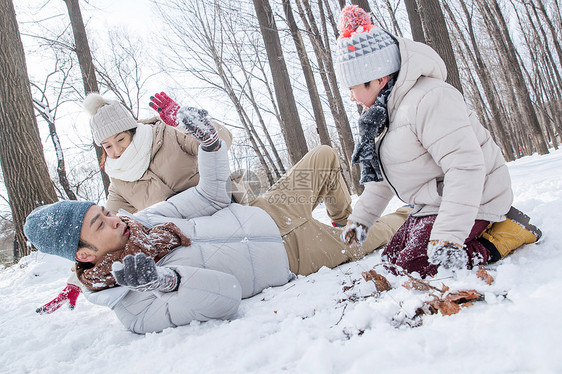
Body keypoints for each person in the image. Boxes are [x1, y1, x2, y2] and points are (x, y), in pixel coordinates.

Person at [25, 93, 410, 334]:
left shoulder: (145, 214)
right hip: (294, 256)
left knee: (322, 157)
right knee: (387, 229)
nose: (116, 218)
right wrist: (162, 280)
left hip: (260, 209)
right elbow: (224, 298)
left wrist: (208, 141)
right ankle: (414, 212)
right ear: (84, 254)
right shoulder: (134, 305)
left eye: (119, 140)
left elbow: (211, 194)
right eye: (100, 223)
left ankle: (340, 218)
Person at [334, 5, 541, 278]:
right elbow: (382, 179)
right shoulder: (382, 117)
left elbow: (465, 167)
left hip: (479, 194)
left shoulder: (430, 99)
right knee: (391, 262)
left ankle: (503, 235)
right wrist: (361, 220)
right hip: (433, 202)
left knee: (419, 266)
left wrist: (448, 237)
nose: (351, 98)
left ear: (379, 80)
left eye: (353, 89)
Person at [35, 93, 238, 313]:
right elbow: (98, 233)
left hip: (228, 204)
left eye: (120, 139)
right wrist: (74, 282)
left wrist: (185, 124)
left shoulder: (167, 133)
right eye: (107, 146)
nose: (116, 151)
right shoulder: (120, 180)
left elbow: (223, 141)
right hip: (193, 237)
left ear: (133, 129)